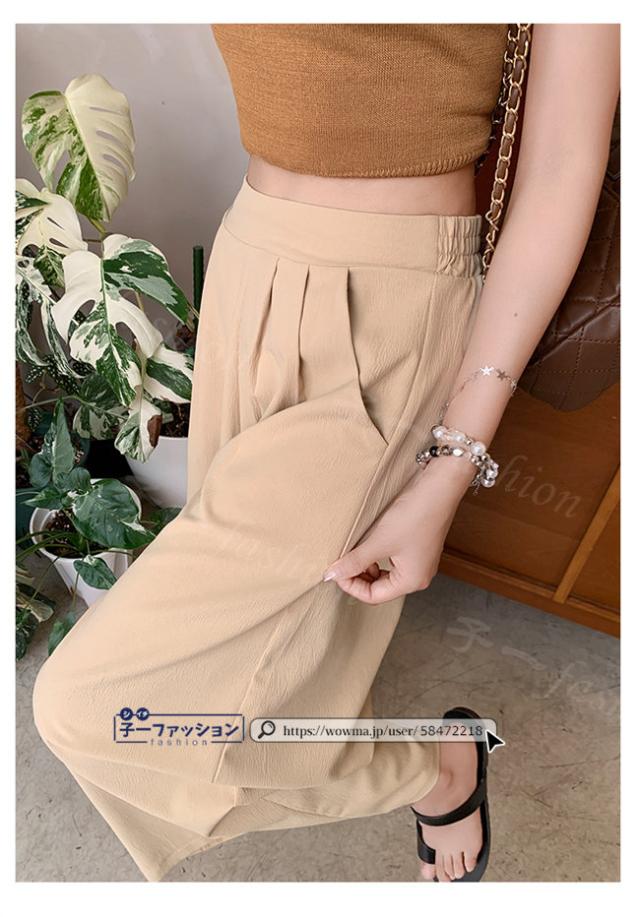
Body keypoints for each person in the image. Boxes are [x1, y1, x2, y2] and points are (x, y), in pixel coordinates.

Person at [32, 23, 620, 883]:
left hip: (390, 296)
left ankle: (432, 769)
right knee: (292, 622)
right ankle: (407, 757)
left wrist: (453, 462)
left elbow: (564, 165)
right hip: (251, 258)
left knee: (93, 707)